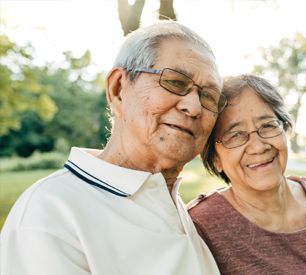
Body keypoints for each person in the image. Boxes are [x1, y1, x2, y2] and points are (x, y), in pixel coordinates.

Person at [0, 21, 227, 275]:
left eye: (209, 96)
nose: (194, 107)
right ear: (118, 89)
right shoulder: (49, 214)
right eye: (174, 81)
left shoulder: (181, 210)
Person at [188, 74, 306, 274]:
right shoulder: (199, 225)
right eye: (235, 135)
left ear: (285, 130)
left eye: (267, 126)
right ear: (215, 159)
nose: (258, 147)